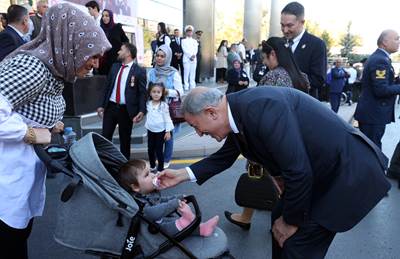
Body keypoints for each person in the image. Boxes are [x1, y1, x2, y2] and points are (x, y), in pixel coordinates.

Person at [157, 86, 390, 259]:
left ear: (211, 112)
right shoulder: (238, 112)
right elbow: (225, 156)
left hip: (345, 175)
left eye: (196, 126)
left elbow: (298, 171)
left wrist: (290, 222)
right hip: (319, 173)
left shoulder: (262, 107)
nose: (198, 134)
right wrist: (182, 174)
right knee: (278, 222)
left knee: (295, 243)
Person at [0, 3, 111, 258]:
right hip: (6, 176)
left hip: (20, 173)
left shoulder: (54, 71)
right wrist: (32, 134)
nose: (95, 64)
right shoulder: (33, 68)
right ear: (70, 44)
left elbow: (23, 108)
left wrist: (49, 126)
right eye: (90, 54)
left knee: (18, 237)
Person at [225, 37, 310, 230]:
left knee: (254, 175)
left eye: (265, 58)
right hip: (294, 140)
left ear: (273, 54)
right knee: (286, 182)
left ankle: (248, 217)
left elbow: (260, 113)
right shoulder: (301, 77)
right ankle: (262, 217)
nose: (264, 63)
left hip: (267, 143)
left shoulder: (274, 77)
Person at [116, 159, 219, 237]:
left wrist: (176, 197)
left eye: (151, 171)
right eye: (147, 175)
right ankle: (187, 221)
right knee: (178, 223)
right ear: (136, 187)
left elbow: (161, 200)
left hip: (163, 220)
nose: (153, 175)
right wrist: (173, 204)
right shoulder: (138, 202)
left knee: (176, 219)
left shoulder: (150, 193)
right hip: (157, 229)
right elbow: (152, 213)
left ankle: (202, 229)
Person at [97, 43, 147, 160]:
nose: (118, 52)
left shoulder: (139, 71)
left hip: (126, 110)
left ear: (128, 53)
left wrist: (142, 110)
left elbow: (142, 93)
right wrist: (101, 105)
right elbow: (107, 87)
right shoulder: (115, 67)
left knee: (125, 139)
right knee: (105, 137)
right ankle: (104, 162)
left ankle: (125, 166)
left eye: (121, 49)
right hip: (111, 107)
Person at [354, 29, 400, 149]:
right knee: (372, 150)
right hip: (373, 115)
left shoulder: (382, 58)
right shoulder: (380, 60)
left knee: (370, 148)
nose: (398, 42)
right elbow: (381, 90)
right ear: (384, 42)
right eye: (396, 39)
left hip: (372, 114)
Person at [281, 1, 327, 100]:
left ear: (302, 22)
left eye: (289, 25)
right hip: (279, 102)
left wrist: (285, 81)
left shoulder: (316, 45)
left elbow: (318, 79)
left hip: (302, 103)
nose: (285, 30)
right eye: (282, 25)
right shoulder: (279, 43)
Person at [147, 44, 183, 169]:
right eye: (157, 55)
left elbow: (180, 92)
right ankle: (157, 159)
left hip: (168, 109)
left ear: (167, 58)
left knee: (168, 136)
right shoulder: (151, 72)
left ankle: (166, 160)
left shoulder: (173, 73)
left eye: (162, 56)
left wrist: (166, 92)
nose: (159, 58)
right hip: (154, 109)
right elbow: (148, 89)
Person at [145, 82, 174, 172]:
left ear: (162, 94)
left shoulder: (163, 105)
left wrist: (168, 131)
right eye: (154, 92)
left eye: (158, 92)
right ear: (150, 93)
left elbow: (167, 118)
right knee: (150, 149)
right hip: (150, 130)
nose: (156, 94)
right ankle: (152, 165)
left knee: (159, 150)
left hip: (160, 131)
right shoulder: (148, 104)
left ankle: (160, 169)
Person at [98, 9, 129, 75]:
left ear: (111, 17)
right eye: (103, 16)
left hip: (116, 61)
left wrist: (121, 52)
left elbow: (126, 41)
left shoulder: (117, 27)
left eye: (107, 16)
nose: (104, 18)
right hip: (103, 62)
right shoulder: (100, 29)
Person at [181, 25, 198, 91]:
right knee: (186, 73)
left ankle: (192, 85)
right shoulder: (183, 40)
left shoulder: (194, 41)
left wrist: (193, 55)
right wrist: (190, 56)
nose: (189, 33)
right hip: (186, 59)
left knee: (193, 73)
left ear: (192, 32)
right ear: (186, 32)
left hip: (194, 59)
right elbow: (184, 49)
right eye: (188, 31)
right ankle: (186, 86)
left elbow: (196, 49)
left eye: (190, 31)